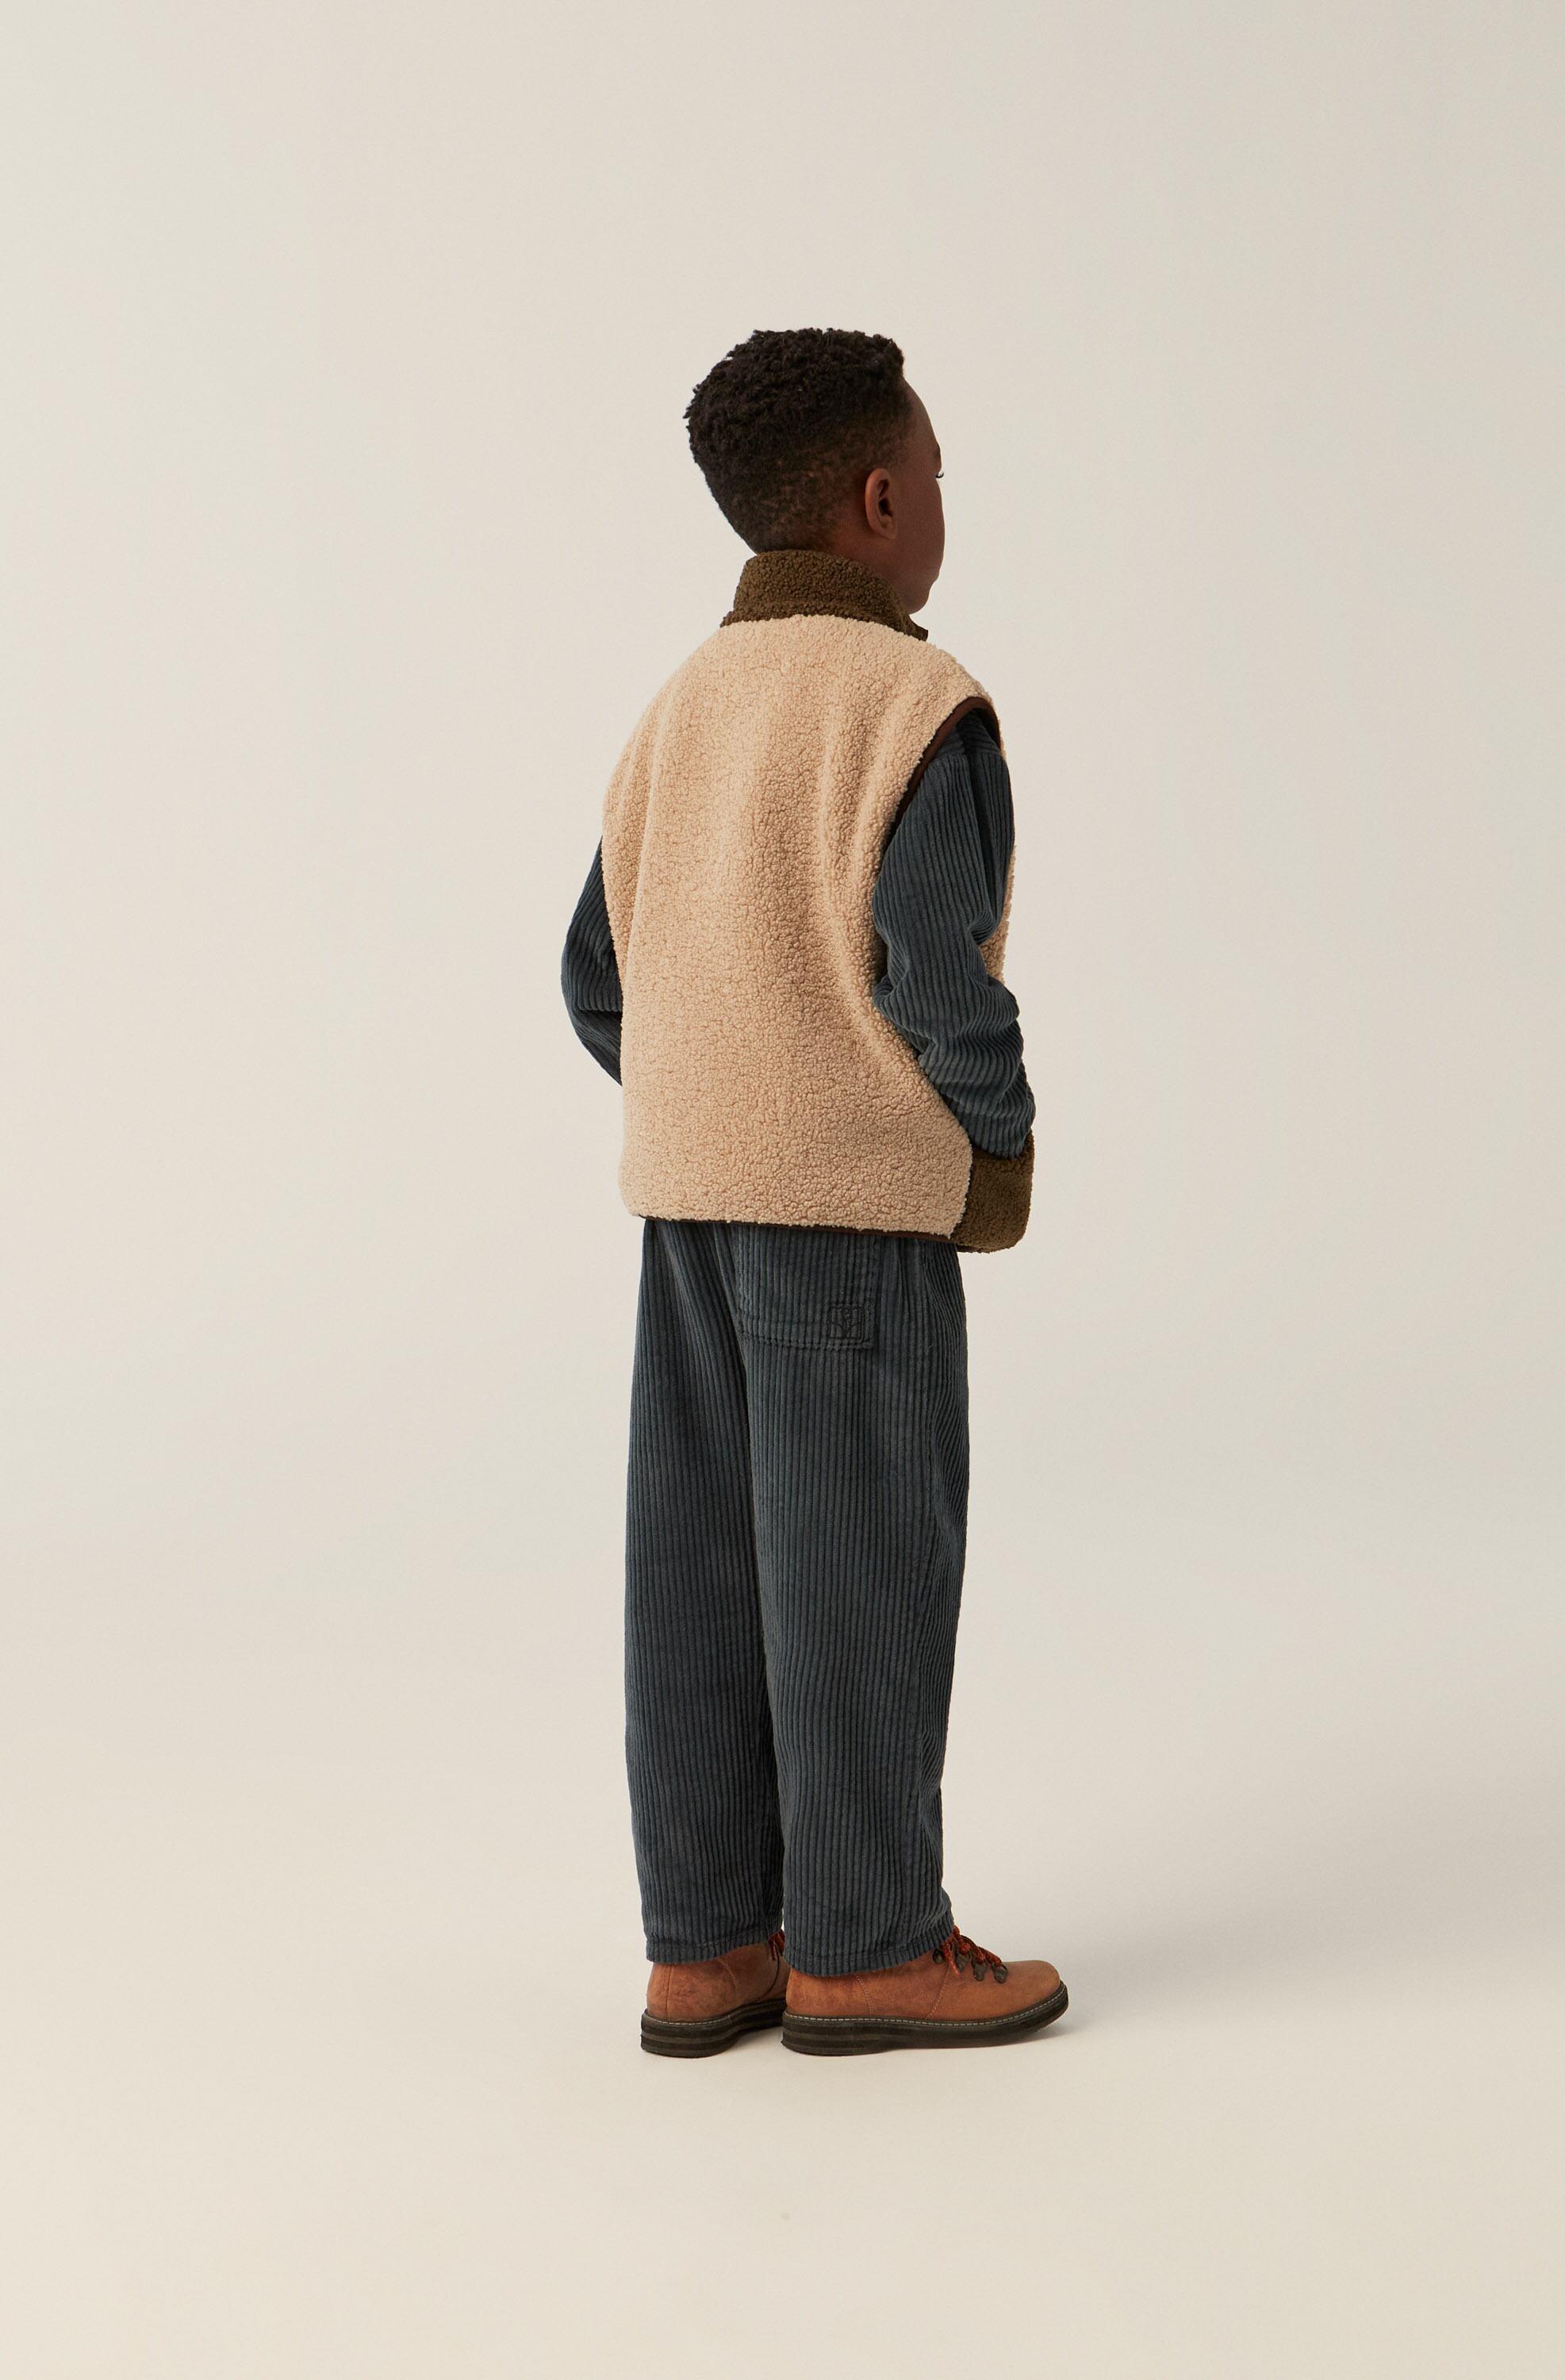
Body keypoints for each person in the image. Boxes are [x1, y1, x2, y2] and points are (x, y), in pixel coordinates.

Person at [560, 327, 1067, 2056]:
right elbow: (938, 983)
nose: (940, 501)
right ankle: (864, 1944)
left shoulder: (680, 706)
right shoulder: (916, 708)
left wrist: (718, 1096)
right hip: (851, 1223)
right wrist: (993, 1154)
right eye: (934, 472)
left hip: (686, 1214)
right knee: (859, 1575)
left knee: (697, 1576)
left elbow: (595, 979)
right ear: (878, 501)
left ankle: (708, 1947)